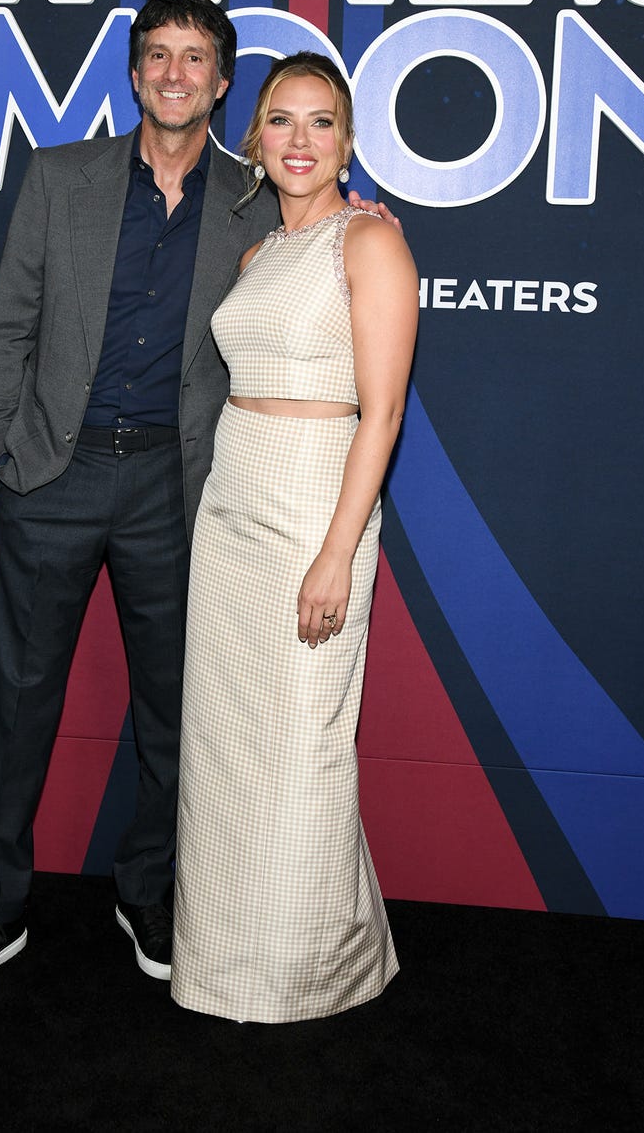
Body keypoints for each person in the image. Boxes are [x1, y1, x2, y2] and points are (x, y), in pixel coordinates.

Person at [0, 0, 388, 1010]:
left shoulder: (254, 199)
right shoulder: (59, 176)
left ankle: (148, 892)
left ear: (223, 84)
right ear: (134, 74)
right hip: (54, 475)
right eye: (157, 56)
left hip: (182, 495)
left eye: (196, 59)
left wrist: (369, 211)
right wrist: (4, 450)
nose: (175, 74)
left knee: (179, 716)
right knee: (15, 706)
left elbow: (332, 237)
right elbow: (7, 326)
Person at [170, 53, 419, 1023]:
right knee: (228, 744)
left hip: (317, 506)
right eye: (281, 121)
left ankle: (304, 970)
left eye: (321, 122)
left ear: (347, 142)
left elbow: (384, 413)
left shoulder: (370, 245)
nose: (300, 140)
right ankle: (220, 960)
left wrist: (332, 551)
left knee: (304, 744)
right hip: (230, 510)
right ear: (254, 140)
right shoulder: (254, 255)